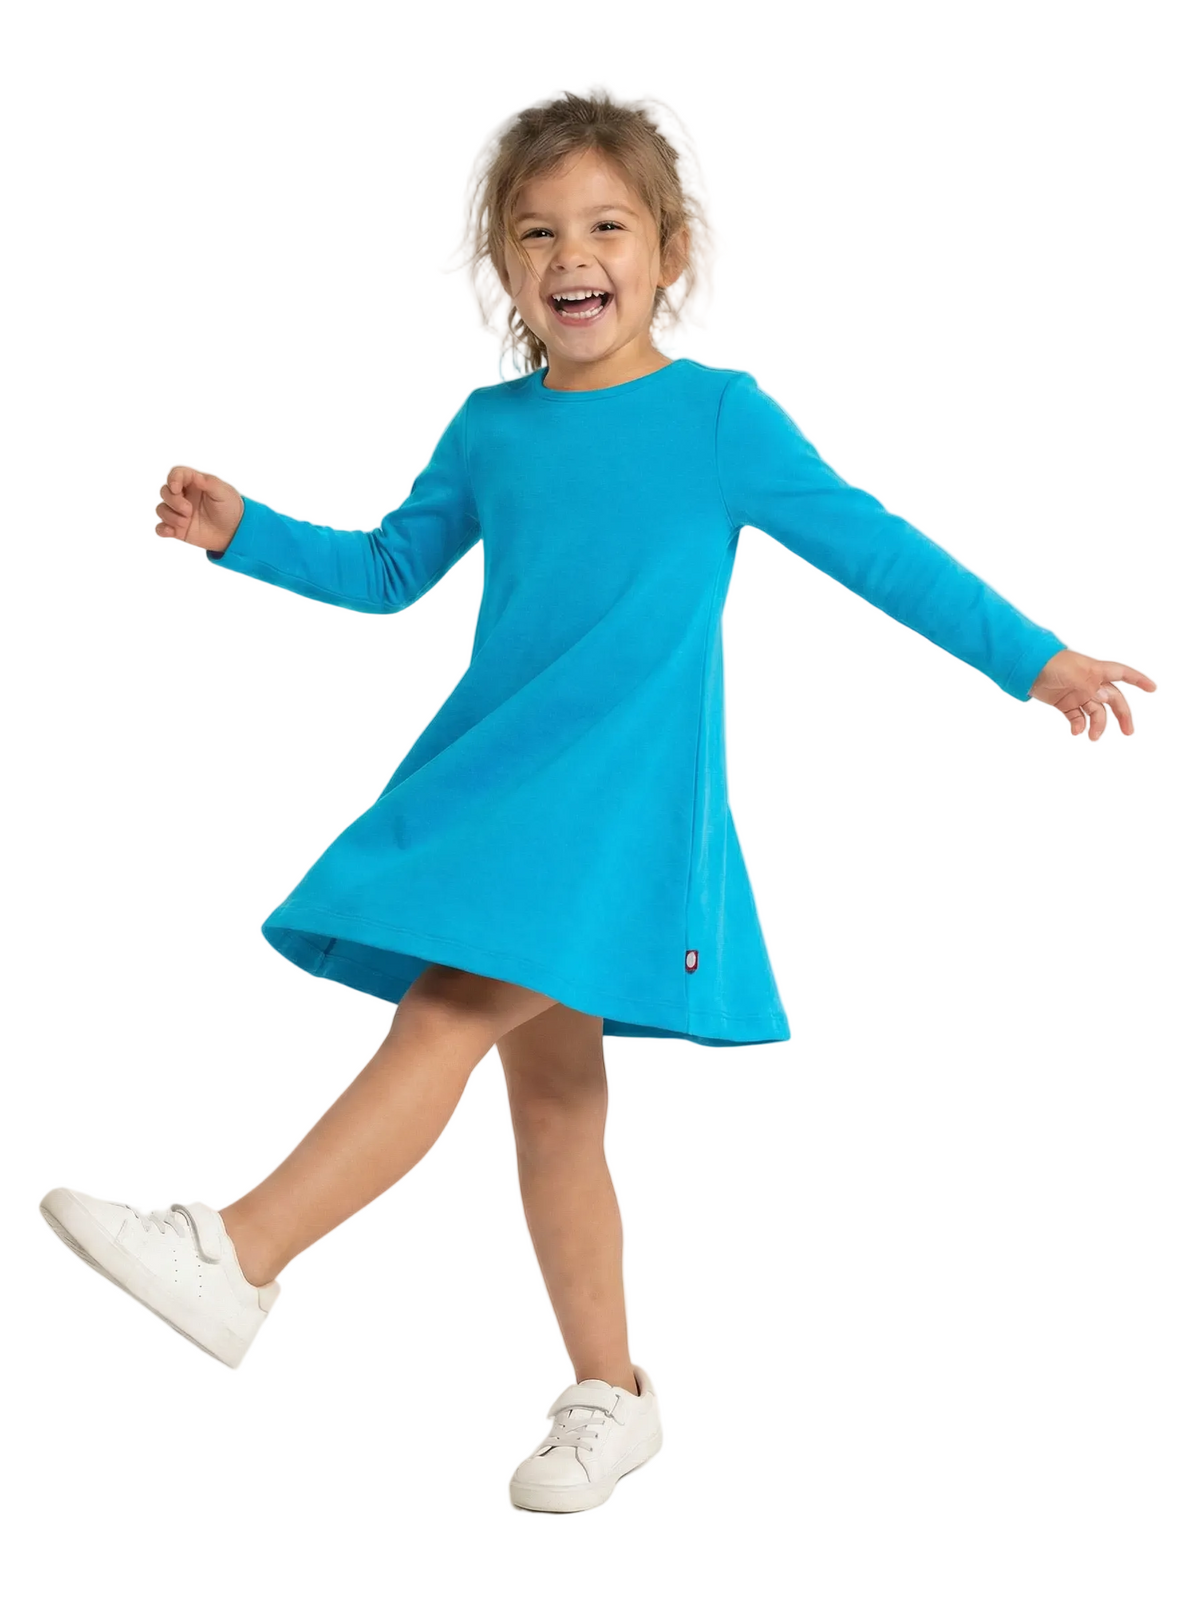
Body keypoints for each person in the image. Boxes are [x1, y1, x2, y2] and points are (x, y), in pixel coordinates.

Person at [39, 89, 1155, 1516]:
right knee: (556, 1107)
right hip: (504, 785)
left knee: (446, 1011)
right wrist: (243, 532)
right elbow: (390, 570)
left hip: (618, 812)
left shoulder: (718, 419)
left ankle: (240, 1255)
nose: (575, 254)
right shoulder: (492, 429)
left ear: (668, 252)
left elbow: (876, 546)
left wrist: (1035, 660)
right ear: (507, 268)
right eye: (539, 232)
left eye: (607, 226)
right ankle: (613, 1395)